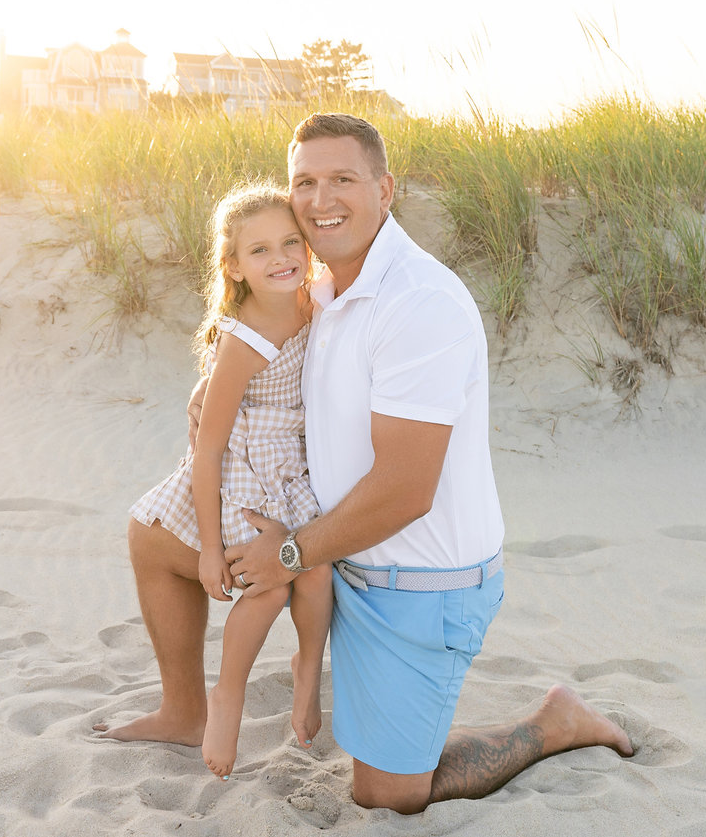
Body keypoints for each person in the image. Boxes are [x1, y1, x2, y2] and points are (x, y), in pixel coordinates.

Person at [97, 115, 633, 813]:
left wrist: (287, 552)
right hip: (336, 551)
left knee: (385, 792)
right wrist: (213, 383)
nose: (321, 199)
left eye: (342, 180)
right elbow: (261, 337)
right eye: (305, 183)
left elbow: (407, 490)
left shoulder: (419, 303)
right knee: (151, 535)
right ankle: (182, 707)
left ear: (385, 189)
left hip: (414, 584)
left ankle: (552, 722)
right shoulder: (323, 287)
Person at [93, 183, 333, 780]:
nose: (280, 258)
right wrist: (205, 553)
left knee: (317, 567)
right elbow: (207, 451)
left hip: (292, 468)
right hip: (245, 473)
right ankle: (226, 695)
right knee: (270, 585)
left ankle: (308, 675)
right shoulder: (243, 338)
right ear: (232, 265)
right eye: (259, 251)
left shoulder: (316, 300)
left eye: (290, 242)